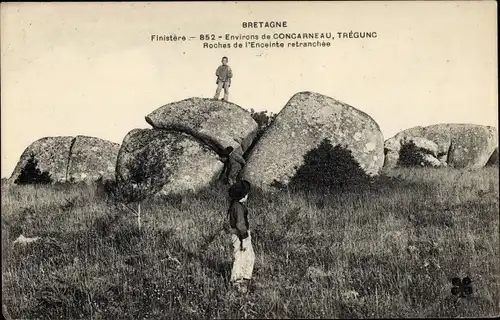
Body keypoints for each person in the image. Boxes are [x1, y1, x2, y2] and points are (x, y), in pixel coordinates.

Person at [227, 180, 254, 293]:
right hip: (240, 235)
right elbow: (240, 224)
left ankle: (244, 279)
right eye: (246, 194)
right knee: (241, 257)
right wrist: (244, 238)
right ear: (242, 196)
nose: (247, 196)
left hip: (238, 234)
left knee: (248, 256)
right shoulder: (238, 207)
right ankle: (238, 282)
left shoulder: (235, 205)